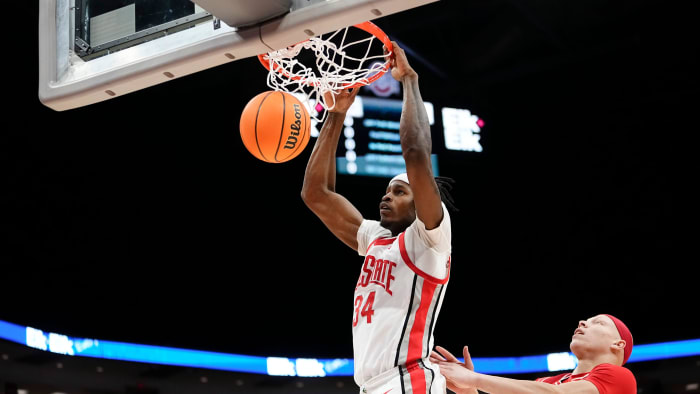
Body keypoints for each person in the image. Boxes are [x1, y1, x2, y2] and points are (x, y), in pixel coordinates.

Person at [301, 41, 457, 394]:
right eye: (387, 190)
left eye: (400, 191)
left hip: (407, 383)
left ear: (422, 204)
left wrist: (409, 80)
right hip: (372, 386)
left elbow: (416, 151)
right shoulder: (377, 237)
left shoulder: (429, 239)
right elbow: (316, 194)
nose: (386, 196)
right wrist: (337, 112)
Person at [430, 314, 637, 394]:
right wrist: (467, 390)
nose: (582, 322)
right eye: (586, 320)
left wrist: (474, 378)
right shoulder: (546, 382)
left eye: (598, 322)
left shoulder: (620, 377)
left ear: (618, 344)